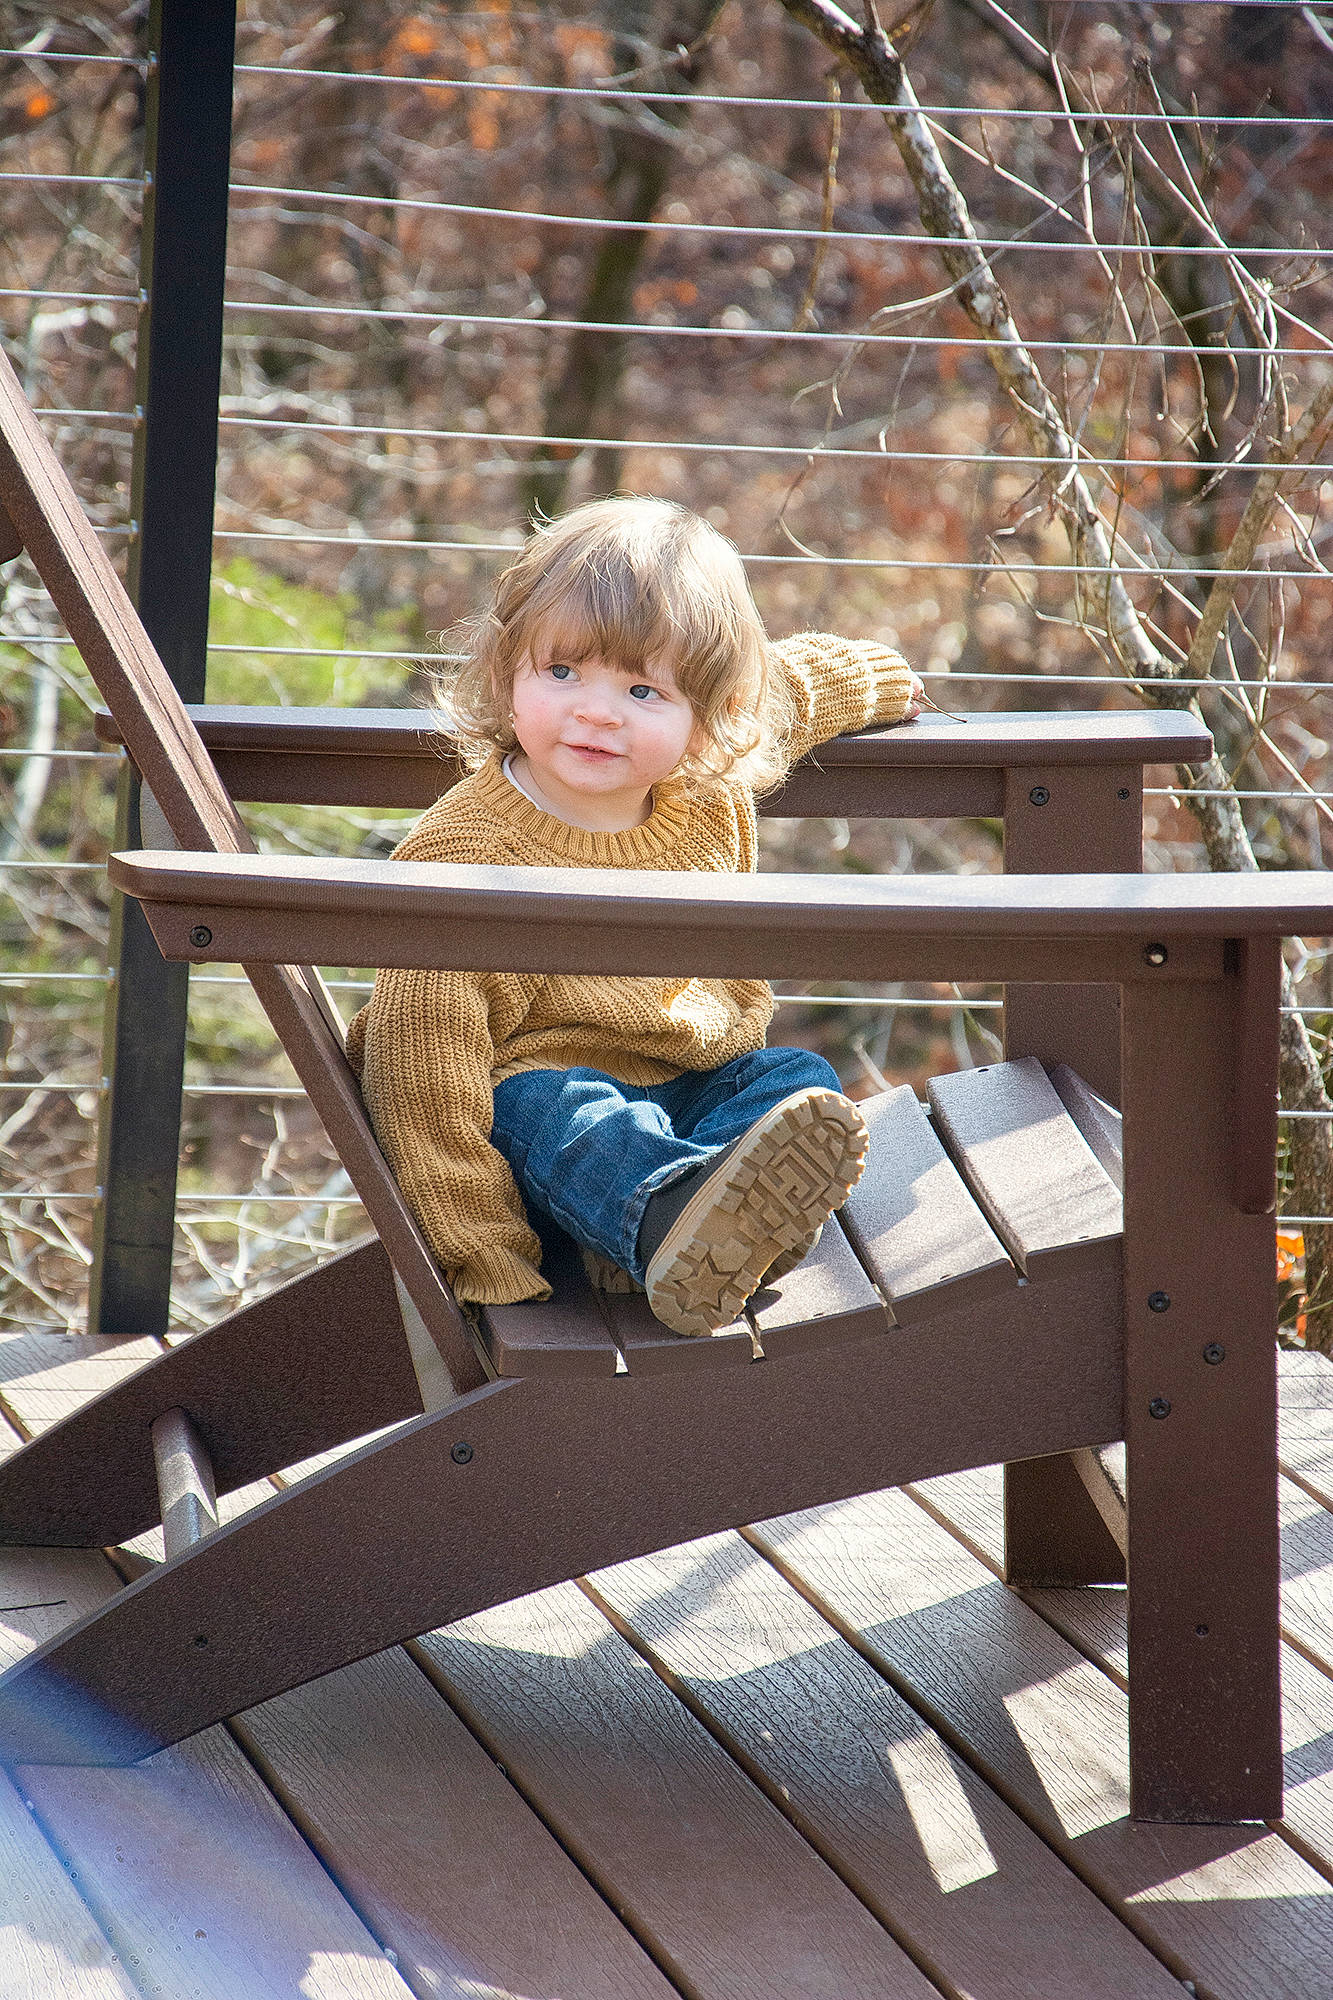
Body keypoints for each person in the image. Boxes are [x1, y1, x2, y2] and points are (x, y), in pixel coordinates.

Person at [347, 496, 922, 1337]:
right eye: (562, 672)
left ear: (708, 719)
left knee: (794, 1083)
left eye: (643, 688)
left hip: (691, 1090)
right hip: (536, 1121)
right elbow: (419, 1076)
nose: (597, 711)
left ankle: (677, 1229)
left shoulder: (703, 784)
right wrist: (483, 1251)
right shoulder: (463, 859)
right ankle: (663, 1223)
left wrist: (878, 679)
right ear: (508, 670)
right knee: (559, 1109)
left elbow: (792, 689)